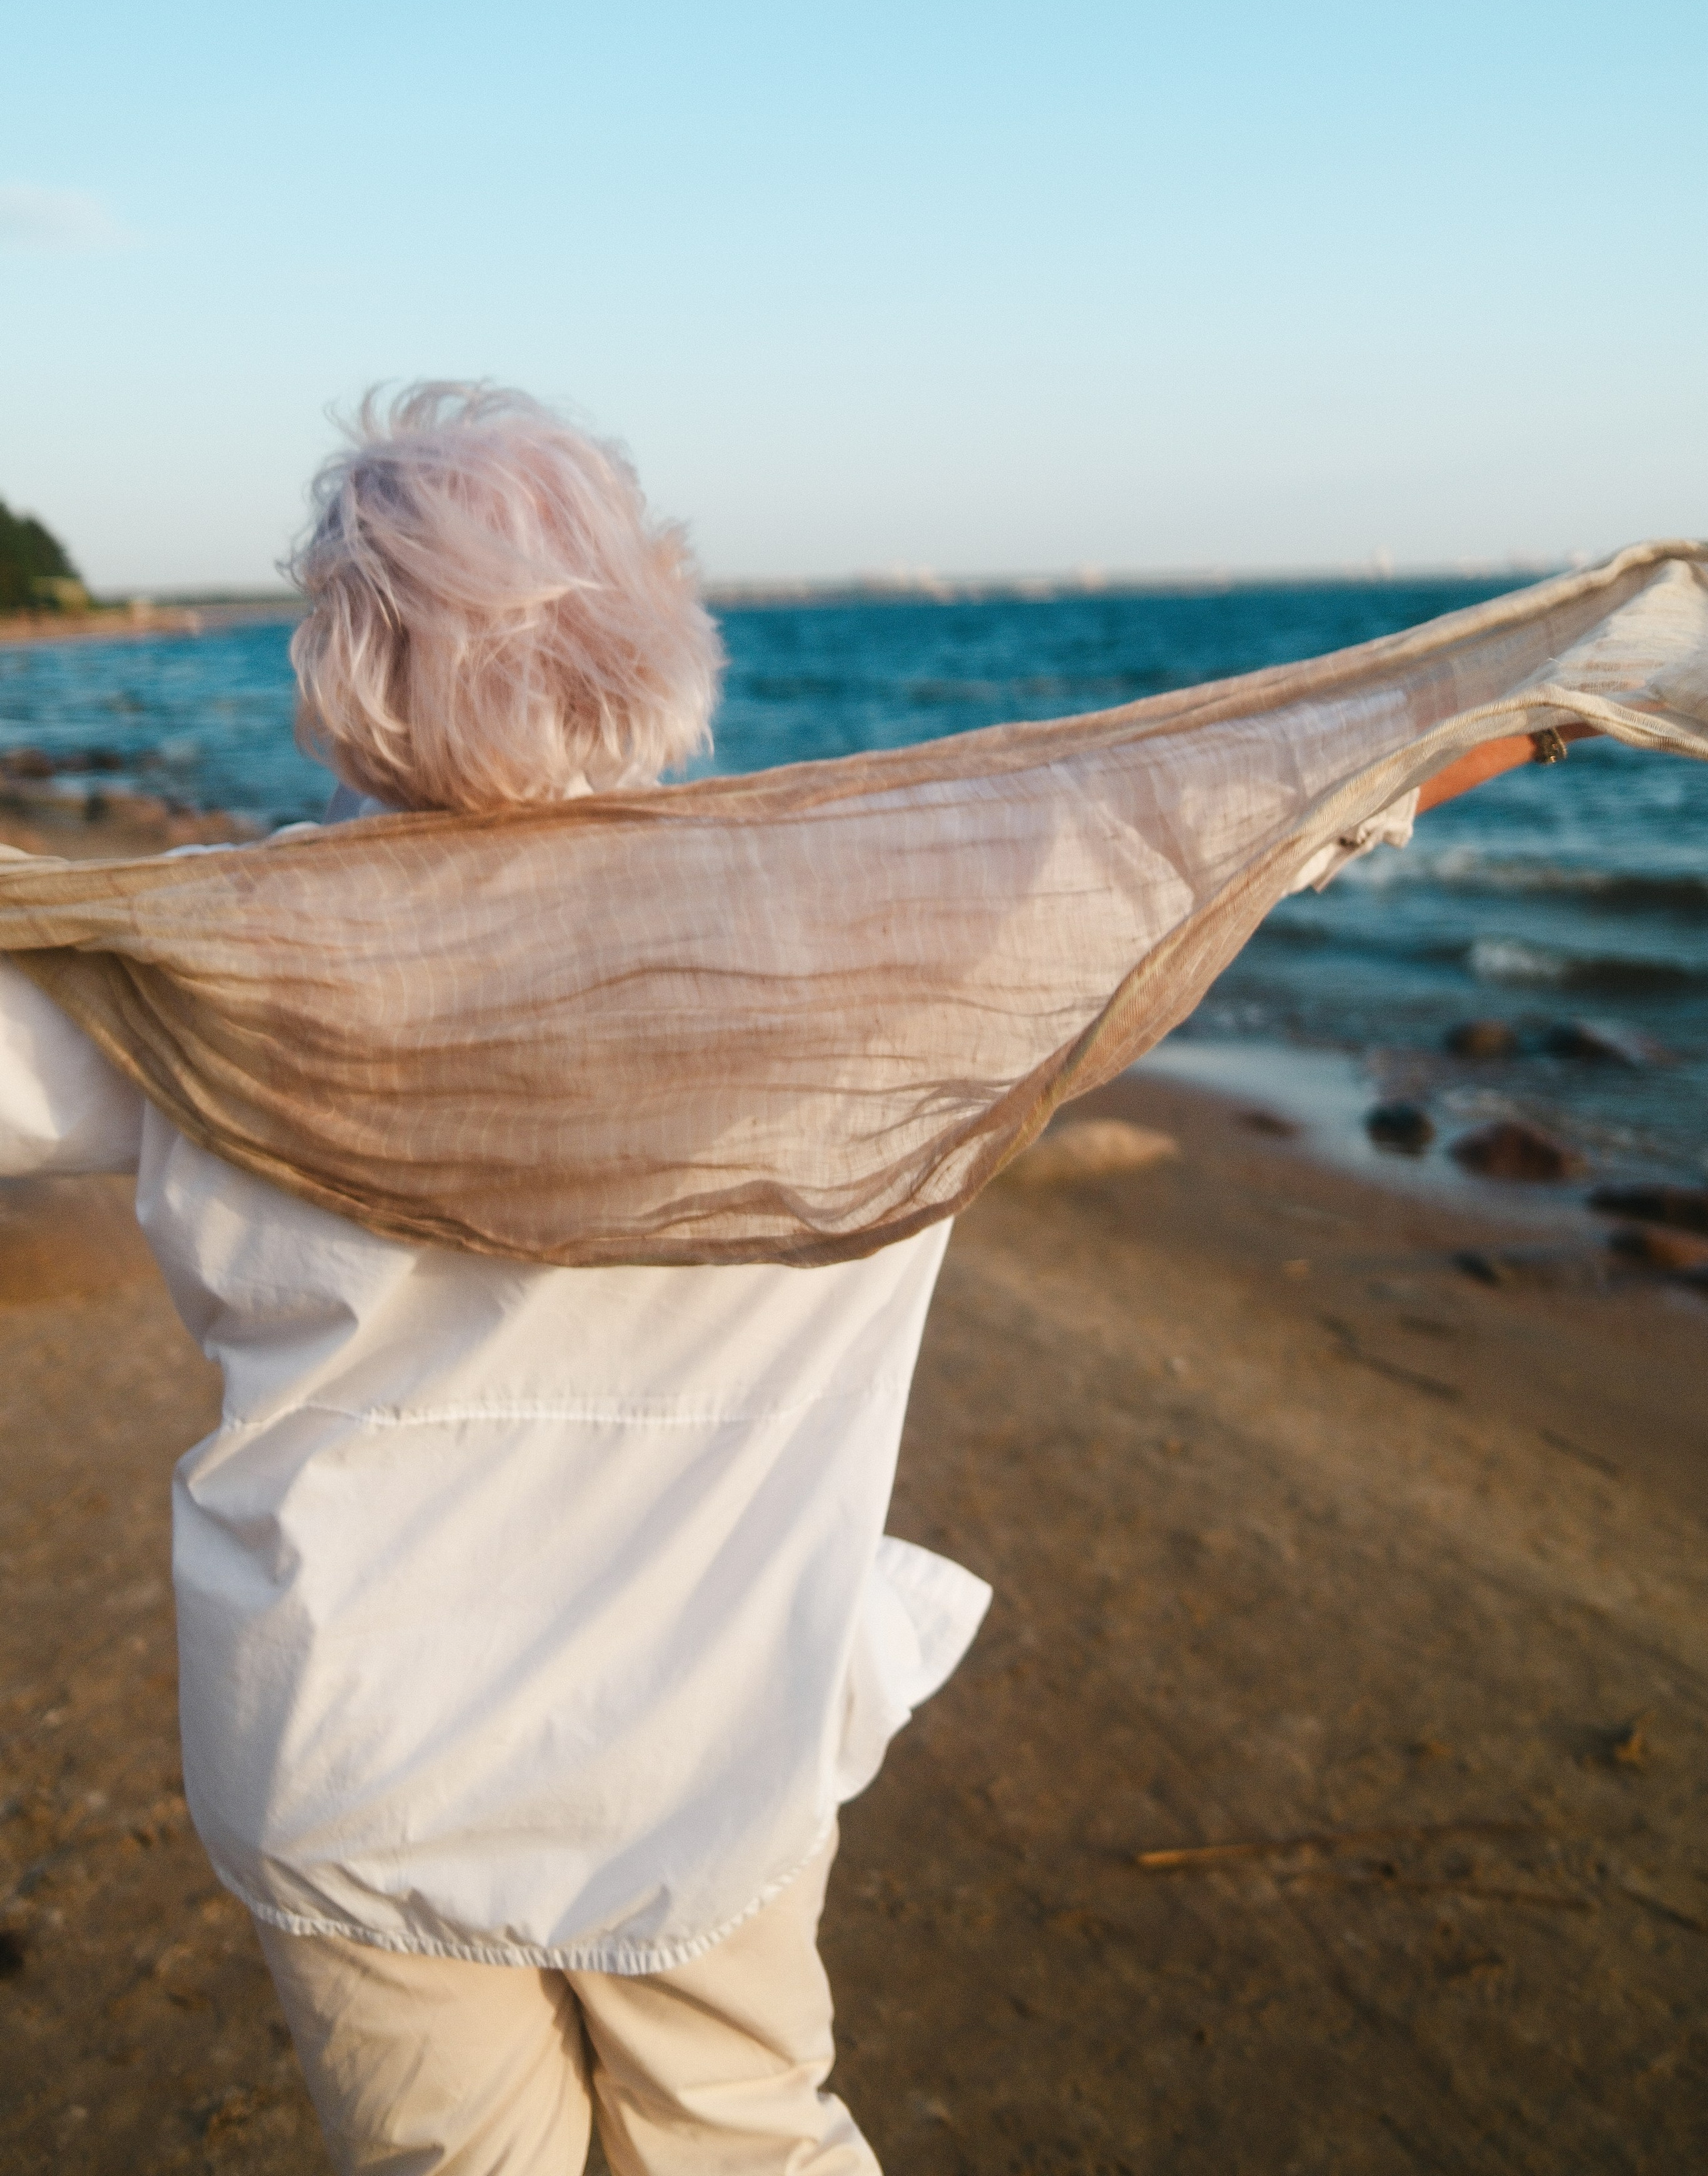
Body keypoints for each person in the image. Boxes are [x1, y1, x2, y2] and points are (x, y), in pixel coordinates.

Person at [0, 384, 1596, 2174]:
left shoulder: (206, 964)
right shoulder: (851, 940)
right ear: (648, 625)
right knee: (750, 2140)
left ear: (339, 658)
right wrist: (1536, 708)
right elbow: (1221, 834)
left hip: (353, 1745)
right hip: (697, 1744)